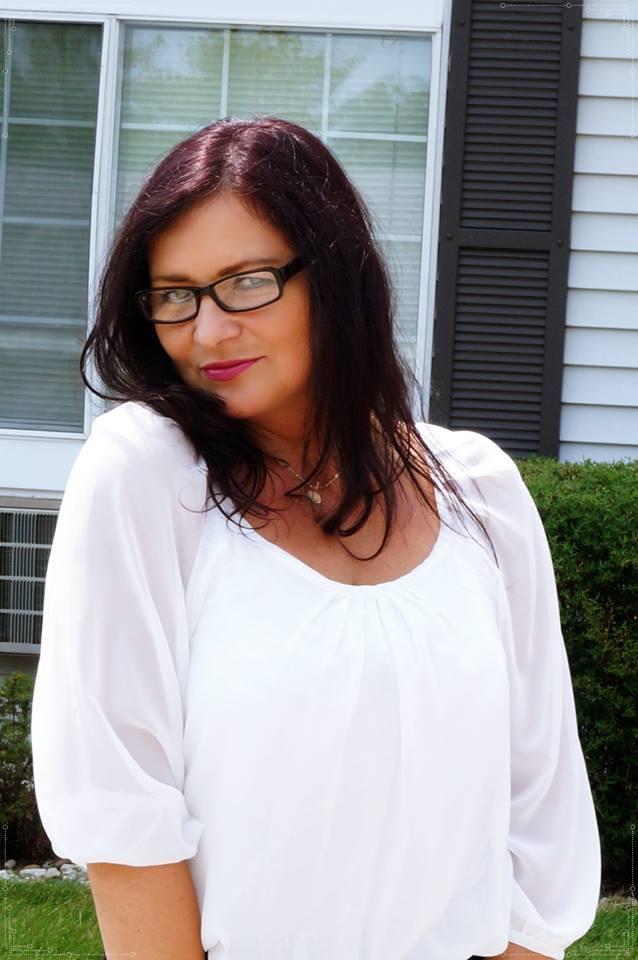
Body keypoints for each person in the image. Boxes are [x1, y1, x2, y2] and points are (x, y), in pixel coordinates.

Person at [30, 116, 601, 960]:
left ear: (335, 276)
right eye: (175, 295)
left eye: (246, 282)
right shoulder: (146, 475)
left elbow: (543, 818)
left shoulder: (481, 493)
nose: (207, 331)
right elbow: (120, 806)